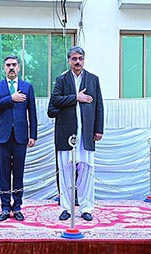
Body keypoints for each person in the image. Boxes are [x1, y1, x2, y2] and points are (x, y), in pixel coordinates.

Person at [48, 46, 104, 222]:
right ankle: (66, 207)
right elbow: (54, 102)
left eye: (80, 58)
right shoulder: (61, 80)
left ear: (84, 59)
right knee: (66, 171)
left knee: (86, 170)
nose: (77, 61)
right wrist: (75, 98)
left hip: (86, 134)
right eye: (74, 58)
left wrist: (98, 129)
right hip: (66, 133)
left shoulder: (93, 79)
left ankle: (86, 207)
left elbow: (99, 106)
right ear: (69, 60)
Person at [0, 55, 38, 222]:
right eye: (8, 65)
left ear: (19, 67)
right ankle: (4, 208)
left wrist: (33, 135)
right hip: (2, 136)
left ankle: (17, 207)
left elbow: (32, 112)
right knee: (4, 173)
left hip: (21, 136)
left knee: (18, 172)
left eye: (14, 65)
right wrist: (11, 99)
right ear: (4, 68)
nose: (11, 68)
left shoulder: (27, 87)